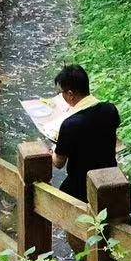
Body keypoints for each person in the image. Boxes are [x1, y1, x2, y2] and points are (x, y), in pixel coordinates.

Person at [50, 65, 120, 201]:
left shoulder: (70, 124)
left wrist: (53, 149)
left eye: (62, 93)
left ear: (70, 94)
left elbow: (59, 163)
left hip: (81, 187)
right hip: (110, 180)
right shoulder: (110, 110)